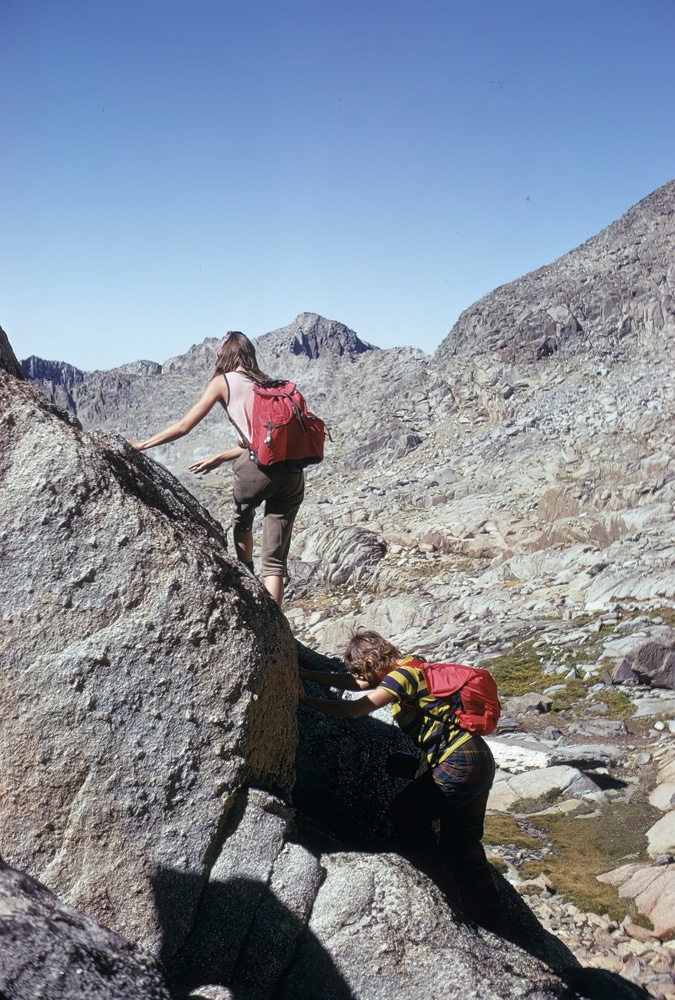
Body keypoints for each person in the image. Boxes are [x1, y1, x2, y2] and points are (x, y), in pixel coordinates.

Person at [299, 628, 507, 936]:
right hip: (476, 757)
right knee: (463, 843)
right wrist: (307, 673)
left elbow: (356, 708)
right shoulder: (411, 665)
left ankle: (436, 889)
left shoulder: (400, 677)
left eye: (363, 668)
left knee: (406, 811)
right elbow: (357, 683)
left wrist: (306, 701)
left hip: (459, 761)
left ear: (373, 662)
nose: (362, 676)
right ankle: (492, 919)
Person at [128, 331, 304, 606]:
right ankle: (277, 625)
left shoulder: (223, 382)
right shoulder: (270, 384)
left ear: (225, 355)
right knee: (274, 561)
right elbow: (265, 444)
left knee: (242, 520)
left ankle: (246, 574)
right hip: (292, 473)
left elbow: (184, 426)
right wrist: (219, 457)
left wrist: (142, 445)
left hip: (256, 471)